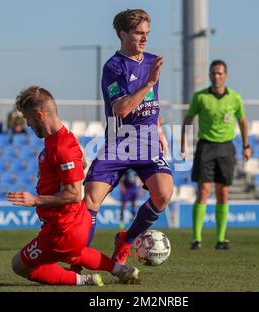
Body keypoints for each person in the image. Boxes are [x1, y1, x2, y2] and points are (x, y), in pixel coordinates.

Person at [6, 86, 140, 286]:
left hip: (62, 229)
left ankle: (83, 280)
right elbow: (78, 164)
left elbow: (75, 193)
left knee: (19, 265)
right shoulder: (62, 139)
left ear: (40, 115)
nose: (28, 125)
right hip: (73, 224)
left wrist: (35, 200)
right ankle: (121, 270)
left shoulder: (61, 146)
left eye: (28, 119)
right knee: (76, 254)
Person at [82, 9, 173, 266]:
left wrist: (160, 130)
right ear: (123, 34)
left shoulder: (152, 61)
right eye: (138, 33)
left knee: (163, 194)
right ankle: (78, 259)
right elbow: (121, 109)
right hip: (120, 142)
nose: (144, 38)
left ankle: (126, 240)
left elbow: (152, 105)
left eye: (147, 33)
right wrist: (148, 83)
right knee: (91, 199)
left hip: (146, 141)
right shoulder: (114, 66)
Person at [181, 59, 251, 250]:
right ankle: (196, 239)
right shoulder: (200, 97)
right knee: (203, 191)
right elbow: (188, 118)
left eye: (220, 73)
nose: (216, 76)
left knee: (223, 193)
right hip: (206, 147)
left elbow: (243, 121)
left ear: (225, 76)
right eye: (213, 73)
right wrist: (183, 143)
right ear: (210, 75)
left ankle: (220, 239)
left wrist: (246, 145)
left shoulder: (235, 98)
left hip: (227, 148)